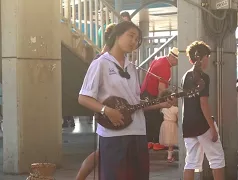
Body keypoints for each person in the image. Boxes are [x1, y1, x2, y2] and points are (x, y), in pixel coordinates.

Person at [78, 21, 173, 180]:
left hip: (138, 132)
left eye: (137, 40)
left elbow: (134, 104)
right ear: (117, 35)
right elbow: (83, 98)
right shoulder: (101, 63)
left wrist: (161, 104)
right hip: (113, 135)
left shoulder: (132, 68)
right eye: (131, 36)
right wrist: (106, 110)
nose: (134, 42)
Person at [75, 23, 116, 180]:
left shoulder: (106, 58)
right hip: (105, 111)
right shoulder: (101, 60)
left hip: (108, 109)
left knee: (102, 153)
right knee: (101, 153)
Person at [181, 41, 225, 180]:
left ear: (190, 59)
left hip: (187, 123)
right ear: (204, 57)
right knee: (217, 158)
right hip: (202, 123)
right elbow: (203, 103)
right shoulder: (203, 77)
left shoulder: (185, 76)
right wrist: (212, 127)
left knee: (191, 161)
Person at [140, 47, 179, 150]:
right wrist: (161, 104)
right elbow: (161, 88)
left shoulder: (159, 59)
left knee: (148, 118)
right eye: (177, 60)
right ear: (172, 57)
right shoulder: (165, 68)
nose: (178, 63)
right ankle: (156, 143)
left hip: (144, 91)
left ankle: (148, 142)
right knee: (156, 118)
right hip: (152, 94)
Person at [159, 89, 178, 163]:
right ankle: (169, 157)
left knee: (169, 140)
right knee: (171, 142)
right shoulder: (175, 109)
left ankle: (169, 156)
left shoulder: (163, 109)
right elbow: (178, 118)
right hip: (172, 125)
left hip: (165, 124)